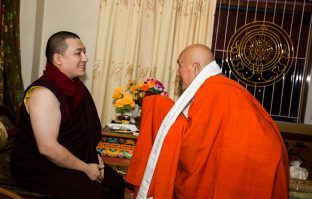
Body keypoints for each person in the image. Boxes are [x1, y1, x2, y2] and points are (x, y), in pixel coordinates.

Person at [125, 44, 289, 198]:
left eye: (180, 64)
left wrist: (159, 107)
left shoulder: (212, 92)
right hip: (261, 170)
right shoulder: (219, 87)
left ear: (195, 67)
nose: (176, 73)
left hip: (252, 172)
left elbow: (194, 148)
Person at [10, 31, 125, 199]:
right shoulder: (43, 93)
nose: (85, 58)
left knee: (116, 183)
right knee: (98, 194)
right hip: (39, 167)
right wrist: (86, 168)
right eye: (79, 53)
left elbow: (85, 133)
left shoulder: (77, 87)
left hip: (73, 158)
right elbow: (48, 149)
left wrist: (94, 157)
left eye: (84, 52)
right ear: (58, 59)